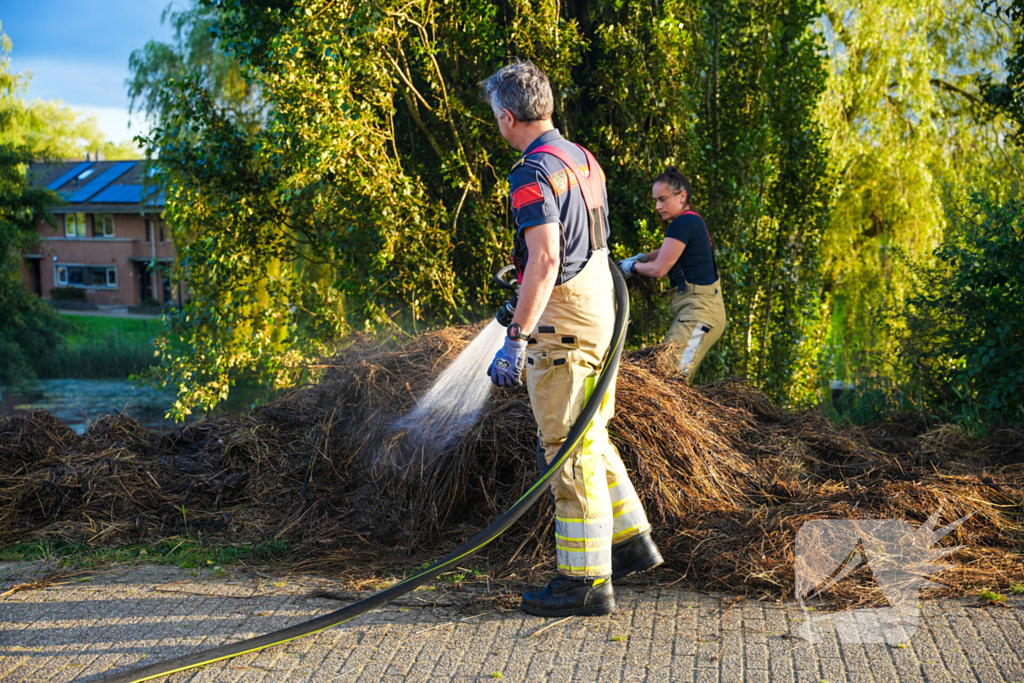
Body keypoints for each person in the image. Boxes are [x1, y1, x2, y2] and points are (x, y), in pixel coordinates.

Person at [483, 60, 663, 617]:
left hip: (561, 326)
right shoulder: (581, 158)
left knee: (568, 449)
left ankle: (584, 582)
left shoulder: (529, 172)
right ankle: (630, 543)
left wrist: (516, 336)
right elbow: (583, 246)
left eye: (495, 117)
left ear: (508, 116)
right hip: (599, 312)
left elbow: (547, 258)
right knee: (594, 433)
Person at [620, 168, 727, 384]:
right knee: (666, 375)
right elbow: (667, 252)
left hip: (701, 315)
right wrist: (640, 258)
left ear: (682, 196)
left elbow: (658, 269)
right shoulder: (690, 221)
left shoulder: (684, 222)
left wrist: (629, 268)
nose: (658, 206)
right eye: (655, 201)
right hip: (695, 311)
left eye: (662, 199)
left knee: (669, 379)